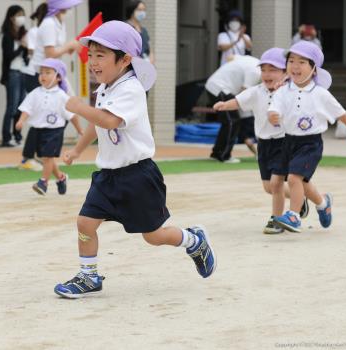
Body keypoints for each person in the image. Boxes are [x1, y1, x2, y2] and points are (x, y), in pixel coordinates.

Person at [53, 21, 216, 299]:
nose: (92, 62)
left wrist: (79, 107)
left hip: (138, 176)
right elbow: (97, 124)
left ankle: (194, 241)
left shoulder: (131, 89)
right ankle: (89, 276)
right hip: (107, 176)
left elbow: (110, 120)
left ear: (125, 59)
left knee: (153, 236)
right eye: (90, 55)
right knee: (85, 223)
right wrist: (79, 150)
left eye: (100, 55)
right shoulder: (106, 87)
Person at [212, 48, 310, 234]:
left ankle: (276, 220)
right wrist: (225, 105)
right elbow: (239, 101)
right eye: (263, 70)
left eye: (272, 69)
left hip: (283, 142)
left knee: (276, 184)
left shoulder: (288, 92)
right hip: (263, 144)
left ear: (284, 72)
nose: (267, 74)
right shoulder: (257, 91)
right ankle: (299, 200)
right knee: (268, 187)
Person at [268, 41, 346, 233]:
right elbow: (274, 109)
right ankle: (322, 203)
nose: (295, 66)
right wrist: (272, 115)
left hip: (310, 144)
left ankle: (294, 216)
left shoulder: (321, 94)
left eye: (302, 62)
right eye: (291, 61)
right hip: (288, 141)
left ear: (314, 69)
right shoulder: (283, 91)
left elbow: (341, 114)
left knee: (294, 179)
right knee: (300, 182)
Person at [19, 0, 84, 171]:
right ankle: (28, 157)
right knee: (41, 116)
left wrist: (66, 48)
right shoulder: (49, 23)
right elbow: (50, 54)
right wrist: (69, 45)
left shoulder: (58, 21)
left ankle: (46, 150)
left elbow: (55, 51)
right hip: (40, 74)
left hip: (54, 73)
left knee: (68, 107)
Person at [15, 58, 83, 195]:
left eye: (48, 72)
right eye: (41, 73)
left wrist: (80, 130)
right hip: (37, 130)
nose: (43, 76)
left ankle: (43, 182)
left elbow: (72, 116)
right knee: (46, 158)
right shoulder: (35, 93)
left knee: (47, 157)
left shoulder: (62, 96)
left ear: (58, 77)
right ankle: (61, 178)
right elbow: (27, 108)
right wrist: (21, 120)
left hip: (55, 131)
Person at [205, 55, 261, 162]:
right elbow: (244, 94)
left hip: (214, 85)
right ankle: (223, 155)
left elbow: (230, 57)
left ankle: (217, 152)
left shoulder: (251, 60)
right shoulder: (255, 72)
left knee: (230, 121)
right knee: (232, 121)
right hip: (221, 88)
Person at [0, 5, 28, 147]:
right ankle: (6, 137)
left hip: (23, 72)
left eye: (22, 14)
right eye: (18, 15)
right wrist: (22, 47)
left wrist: (27, 50)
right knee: (11, 106)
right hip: (12, 73)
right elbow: (8, 56)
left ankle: (17, 136)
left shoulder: (24, 34)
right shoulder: (7, 36)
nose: (21, 18)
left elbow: (26, 56)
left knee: (21, 106)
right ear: (11, 17)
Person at [21, 3, 48, 93]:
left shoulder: (46, 31)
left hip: (44, 71)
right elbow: (31, 51)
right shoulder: (34, 31)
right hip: (34, 73)